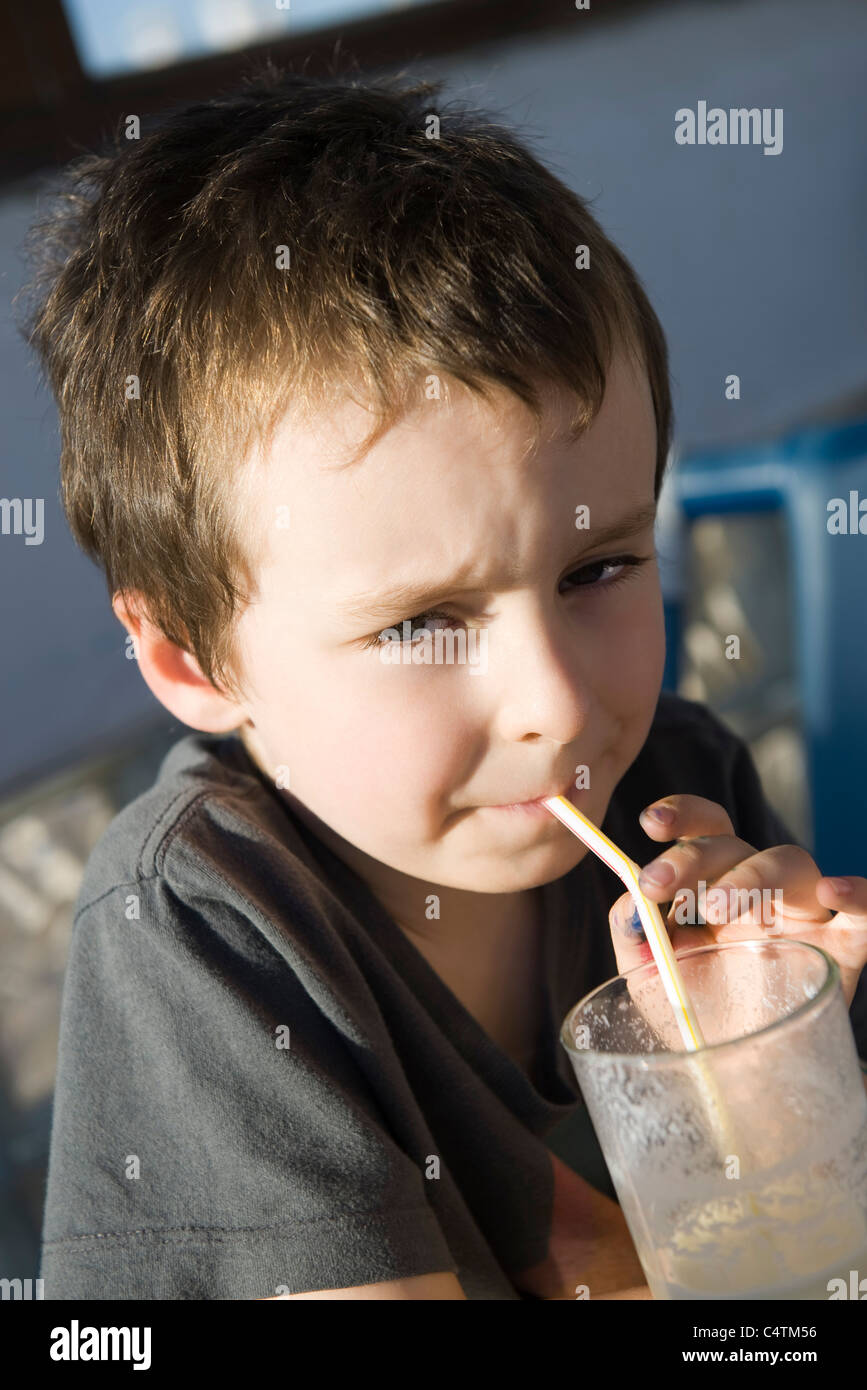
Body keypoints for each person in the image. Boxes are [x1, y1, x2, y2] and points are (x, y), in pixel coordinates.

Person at [24, 67, 867, 1301]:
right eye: (423, 621)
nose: (561, 705)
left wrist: (766, 1069)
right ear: (191, 662)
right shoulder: (208, 927)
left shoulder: (678, 786)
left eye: (601, 565)